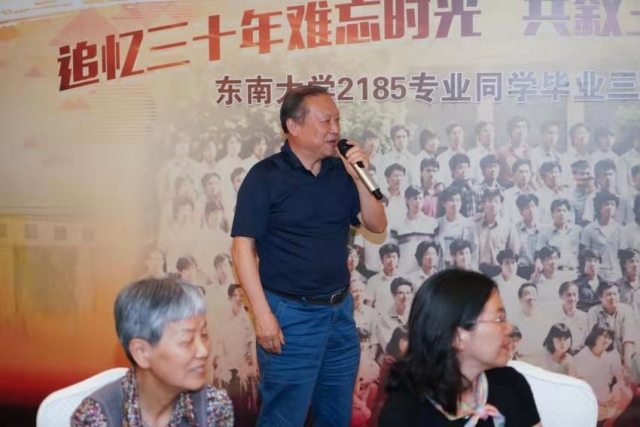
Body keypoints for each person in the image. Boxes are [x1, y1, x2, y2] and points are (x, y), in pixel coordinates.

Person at [230, 85, 387, 426]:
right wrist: (263, 316)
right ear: (293, 126)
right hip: (290, 316)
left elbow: (377, 224)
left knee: (335, 415)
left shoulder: (340, 172)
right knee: (284, 418)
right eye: (325, 120)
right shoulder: (265, 176)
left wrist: (360, 177)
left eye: (337, 120)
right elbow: (242, 249)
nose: (335, 129)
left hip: (339, 314)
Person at [379, 269, 541, 426]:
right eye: (499, 319)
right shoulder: (404, 414)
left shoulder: (510, 384)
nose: (509, 329)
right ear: (457, 337)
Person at [71, 277, 233, 426]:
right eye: (187, 341)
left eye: (204, 335)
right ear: (141, 352)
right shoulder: (98, 416)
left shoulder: (213, 406)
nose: (203, 351)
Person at [574, 323, 633, 425]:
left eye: (610, 338)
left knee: (627, 392)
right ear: (595, 335)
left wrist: (615, 392)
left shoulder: (613, 354)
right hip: (589, 398)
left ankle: (608, 423)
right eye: (604, 336)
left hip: (607, 398)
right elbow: (581, 388)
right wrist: (600, 401)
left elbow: (620, 379)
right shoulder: (582, 356)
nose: (607, 340)